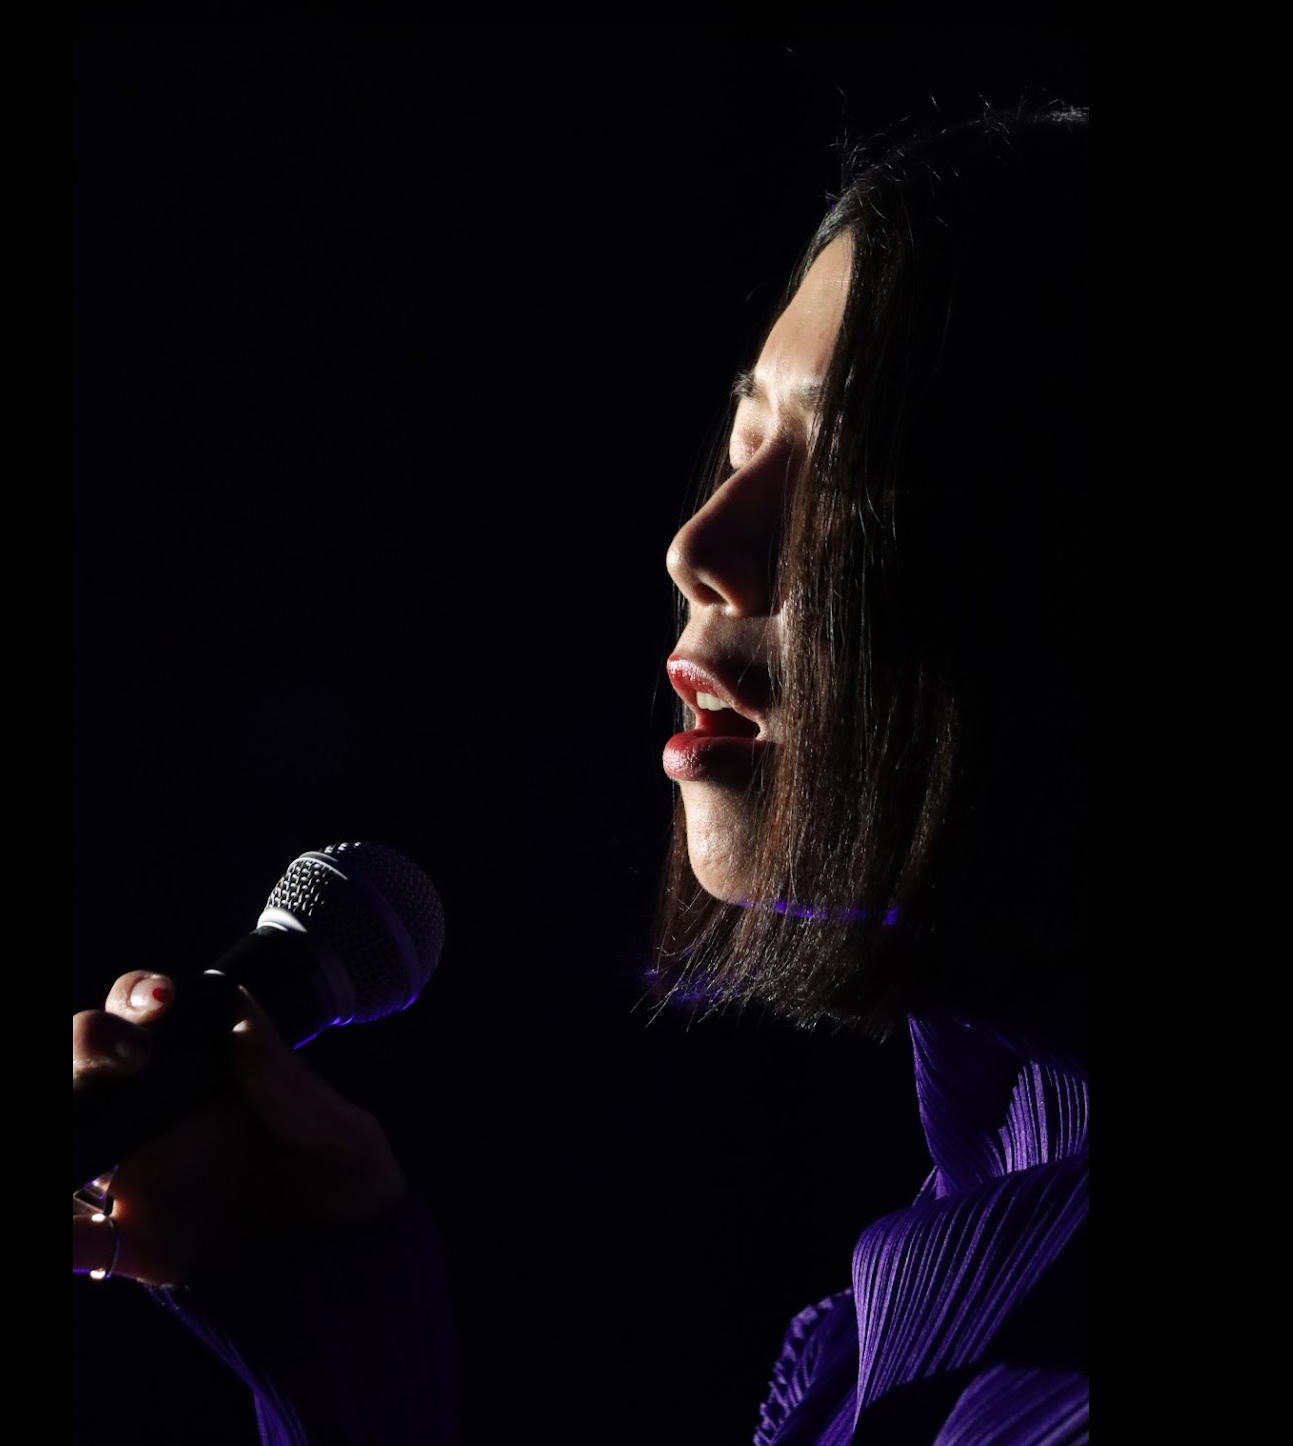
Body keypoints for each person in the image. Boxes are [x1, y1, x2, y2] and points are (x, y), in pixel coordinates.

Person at [72, 100, 1088, 1444]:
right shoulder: (961, 1235)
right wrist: (320, 1313)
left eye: (842, 472)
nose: (700, 543)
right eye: (742, 448)